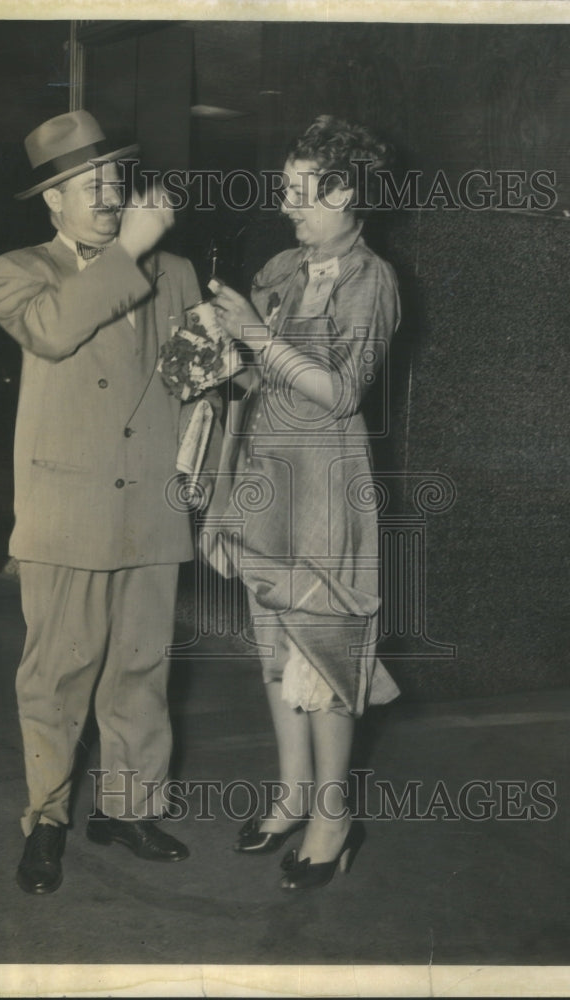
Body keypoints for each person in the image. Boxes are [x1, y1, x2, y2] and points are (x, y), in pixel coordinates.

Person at [0, 110, 202, 894]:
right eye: (91, 186)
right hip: (66, 512)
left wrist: (230, 359)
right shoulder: (18, 270)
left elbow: (190, 381)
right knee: (57, 676)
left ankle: (129, 806)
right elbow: (51, 331)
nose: (110, 197)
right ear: (53, 201)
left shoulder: (174, 272)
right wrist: (134, 249)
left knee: (140, 669)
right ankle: (46, 819)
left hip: (149, 505)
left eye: (116, 181)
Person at [208, 115, 401, 891]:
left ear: (345, 190)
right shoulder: (284, 266)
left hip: (325, 491)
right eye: (284, 189)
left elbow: (340, 390)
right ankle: (291, 798)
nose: (287, 205)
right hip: (265, 485)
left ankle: (333, 819)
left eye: (301, 191)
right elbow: (256, 380)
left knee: (323, 656)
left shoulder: (371, 281)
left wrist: (255, 337)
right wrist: (216, 354)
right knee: (274, 652)